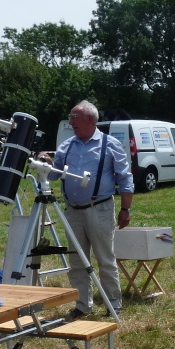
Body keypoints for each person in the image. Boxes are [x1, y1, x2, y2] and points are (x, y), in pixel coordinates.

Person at [49, 100, 134, 317]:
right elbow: (53, 175)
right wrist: (46, 163)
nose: (71, 122)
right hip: (72, 210)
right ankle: (82, 305)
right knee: (77, 260)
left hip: (100, 208)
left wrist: (126, 209)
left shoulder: (110, 144)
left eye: (74, 118)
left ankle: (113, 304)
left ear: (90, 119)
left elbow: (125, 178)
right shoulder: (66, 146)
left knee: (105, 258)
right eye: (70, 118)